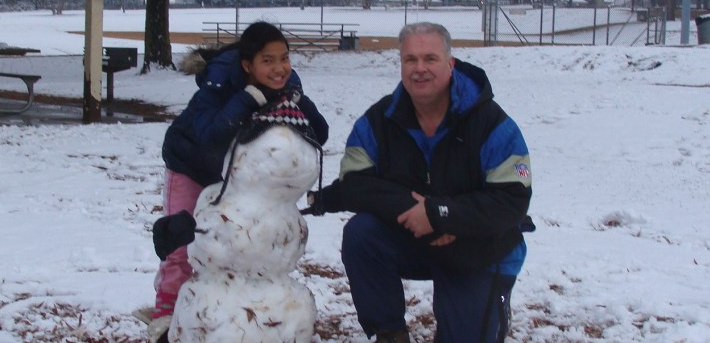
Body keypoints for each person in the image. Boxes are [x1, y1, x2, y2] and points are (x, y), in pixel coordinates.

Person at [308, 22, 533, 343]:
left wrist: (440, 214)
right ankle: (390, 333)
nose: (419, 68)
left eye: (430, 58)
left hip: (479, 248)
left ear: (450, 63)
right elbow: (355, 185)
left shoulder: (493, 124)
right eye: (410, 59)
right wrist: (418, 212)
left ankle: (488, 307)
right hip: (415, 238)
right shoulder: (379, 120)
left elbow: (512, 201)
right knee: (362, 234)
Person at [145, 21, 330, 343]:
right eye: (268, 61)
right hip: (190, 164)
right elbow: (210, 137)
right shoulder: (218, 82)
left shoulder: (288, 86)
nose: (279, 68)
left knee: (236, 243)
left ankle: (232, 314)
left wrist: (298, 102)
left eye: (284, 58)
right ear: (248, 65)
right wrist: (248, 98)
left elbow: (320, 132)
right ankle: (166, 315)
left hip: (233, 178)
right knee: (182, 244)